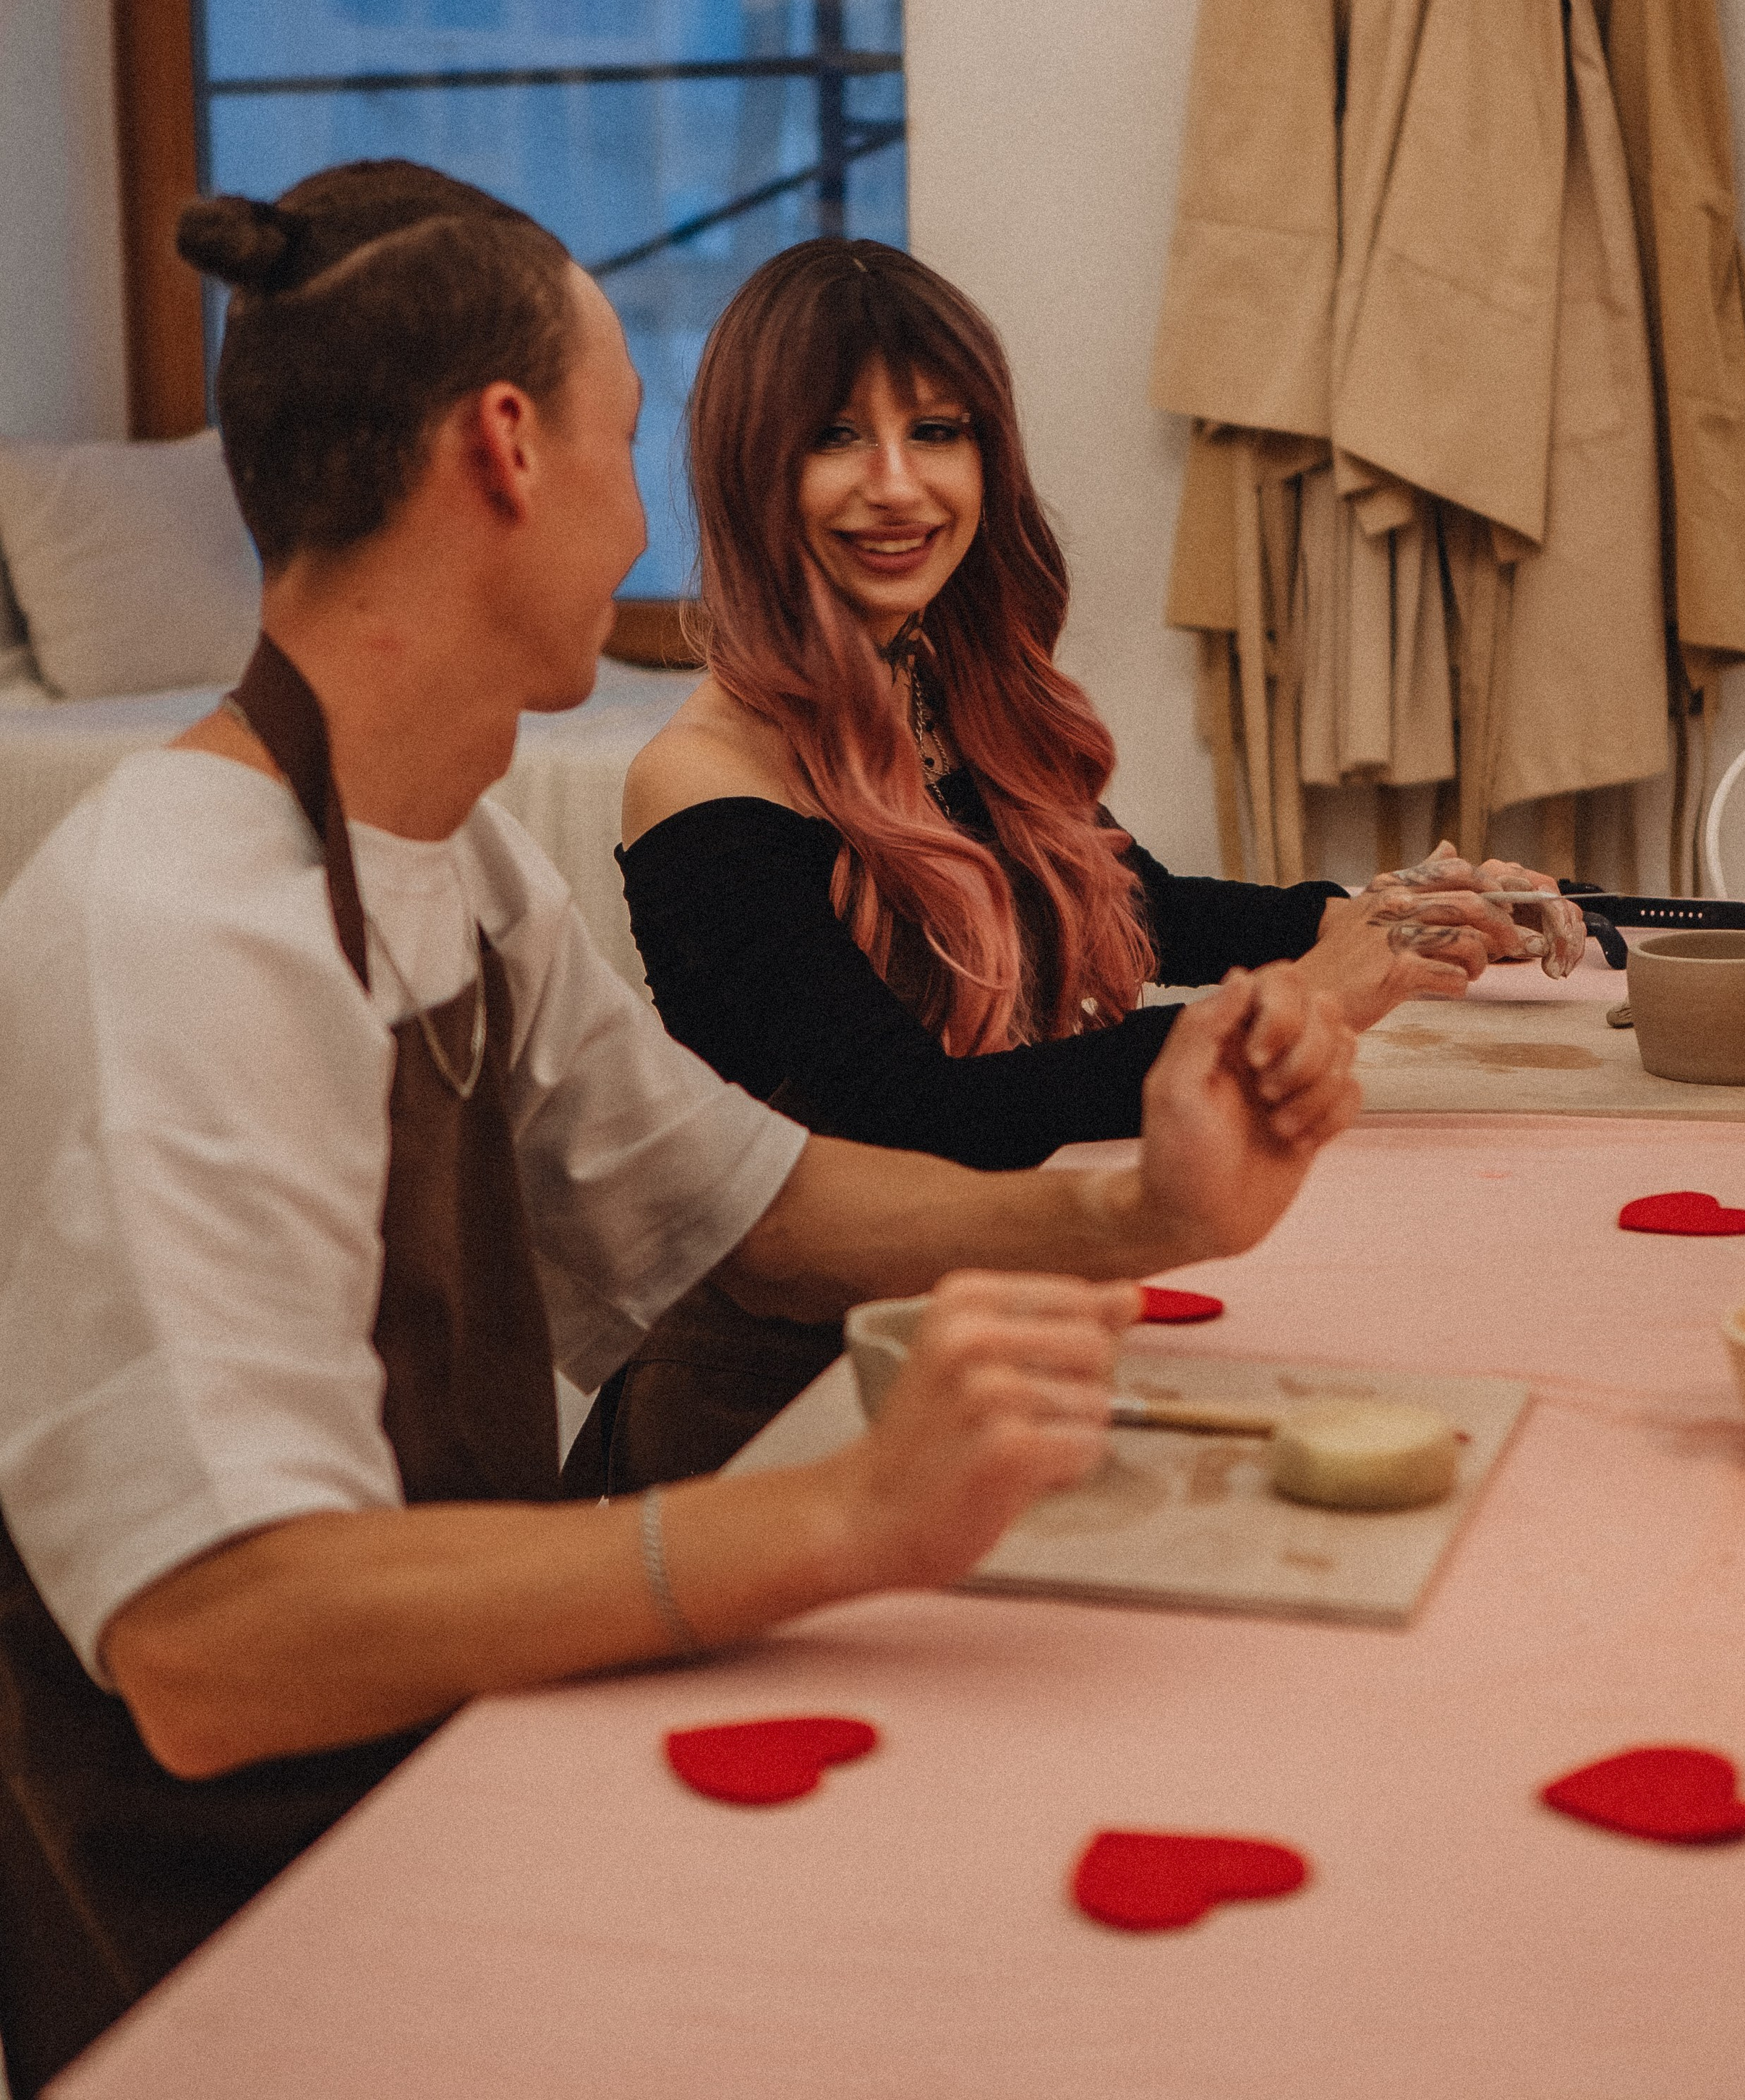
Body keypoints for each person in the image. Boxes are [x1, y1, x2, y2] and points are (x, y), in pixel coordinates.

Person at [0, 163, 1360, 2099]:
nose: (652, 515)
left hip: (460, 1761)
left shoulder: (446, 857)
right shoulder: (176, 926)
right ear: (505, 450)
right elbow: (221, 1651)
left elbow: (751, 1204)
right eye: (630, 442)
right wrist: (837, 1518)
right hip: (254, 1931)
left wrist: (1144, 1212)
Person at [613, 239, 1584, 1480]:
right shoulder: (701, 781)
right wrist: (1295, 1004)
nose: (900, 486)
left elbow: (1139, 907)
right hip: (782, 1400)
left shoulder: (939, 691)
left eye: (939, 432)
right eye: (838, 438)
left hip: (988, 1334)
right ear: (753, 471)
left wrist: (1384, 913)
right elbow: (916, 1118)